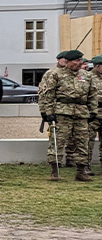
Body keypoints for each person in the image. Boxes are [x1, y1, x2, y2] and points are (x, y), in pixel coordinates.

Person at [39, 49, 96, 182]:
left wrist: (92, 111)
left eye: (80, 60)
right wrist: (48, 113)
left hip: (81, 112)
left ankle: (81, 171)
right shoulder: (56, 74)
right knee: (58, 141)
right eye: (76, 60)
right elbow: (49, 95)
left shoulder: (86, 75)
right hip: (62, 112)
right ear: (68, 61)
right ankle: (55, 170)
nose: (79, 63)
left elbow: (92, 94)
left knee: (83, 142)